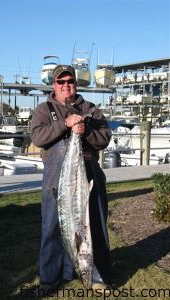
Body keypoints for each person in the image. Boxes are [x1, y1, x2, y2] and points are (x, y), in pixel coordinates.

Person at [30, 65, 112, 293]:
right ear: (54, 85)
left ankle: (97, 276)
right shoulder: (44, 109)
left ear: (76, 83)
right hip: (57, 181)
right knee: (52, 229)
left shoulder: (90, 109)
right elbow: (37, 137)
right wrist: (64, 124)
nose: (66, 85)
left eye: (70, 81)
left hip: (90, 176)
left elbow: (105, 137)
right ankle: (50, 279)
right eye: (61, 81)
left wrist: (84, 131)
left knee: (94, 225)